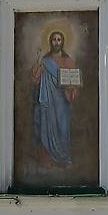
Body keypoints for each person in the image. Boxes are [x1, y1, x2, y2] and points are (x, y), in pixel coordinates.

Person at [30, 30, 78, 168]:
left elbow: (73, 81)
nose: (56, 42)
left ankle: (64, 158)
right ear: (50, 42)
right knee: (47, 127)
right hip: (49, 102)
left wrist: (72, 89)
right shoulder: (45, 61)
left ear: (62, 42)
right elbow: (35, 79)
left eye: (59, 40)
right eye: (54, 40)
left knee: (63, 129)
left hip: (63, 102)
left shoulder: (68, 60)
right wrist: (38, 61)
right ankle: (48, 158)